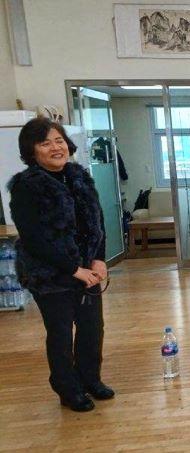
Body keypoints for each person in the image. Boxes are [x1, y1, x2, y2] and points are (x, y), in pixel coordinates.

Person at [8, 118, 113, 412]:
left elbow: (97, 221)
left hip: (88, 270)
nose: (56, 147)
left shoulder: (80, 177)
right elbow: (34, 238)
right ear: (32, 151)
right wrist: (74, 269)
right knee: (61, 333)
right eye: (45, 143)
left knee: (92, 328)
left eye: (59, 140)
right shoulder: (26, 186)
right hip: (51, 275)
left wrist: (99, 258)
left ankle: (90, 378)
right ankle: (68, 388)